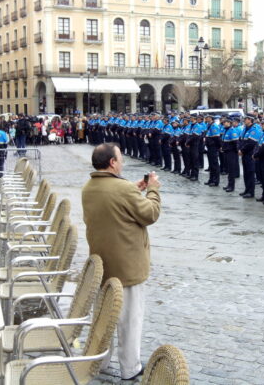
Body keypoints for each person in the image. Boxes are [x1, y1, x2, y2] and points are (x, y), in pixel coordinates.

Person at [82, 143, 161, 381]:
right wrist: (153, 190)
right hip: (127, 264)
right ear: (112, 163)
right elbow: (150, 213)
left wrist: (133, 189)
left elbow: (116, 203)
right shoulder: (123, 188)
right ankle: (130, 367)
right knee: (129, 319)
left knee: (103, 316)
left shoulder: (89, 187)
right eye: (120, 158)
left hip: (102, 263)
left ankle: (100, 361)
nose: (122, 161)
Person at [239, 114, 262, 198]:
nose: (244, 120)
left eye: (246, 119)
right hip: (244, 153)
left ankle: (251, 192)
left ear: (250, 120)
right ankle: (247, 189)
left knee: (250, 173)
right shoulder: (245, 128)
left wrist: (241, 150)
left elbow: (251, 143)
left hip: (250, 153)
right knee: (246, 173)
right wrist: (239, 148)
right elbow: (240, 140)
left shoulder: (255, 129)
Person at [204, 115, 222, 186]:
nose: (206, 118)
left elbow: (217, 138)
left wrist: (219, 147)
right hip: (209, 147)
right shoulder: (209, 125)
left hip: (213, 147)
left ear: (211, 119)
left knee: (215, 164)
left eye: (207, 117)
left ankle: (215, 181)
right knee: (211, 165)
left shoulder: (214, 126)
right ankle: (211, 179)